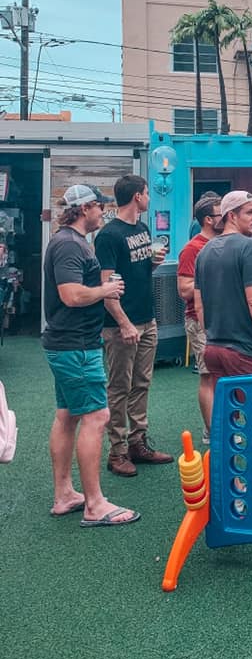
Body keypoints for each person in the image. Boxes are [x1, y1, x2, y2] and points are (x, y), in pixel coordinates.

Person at [42, 183, 139, 526]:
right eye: (100, 206)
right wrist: (106, 289)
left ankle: (65, 494)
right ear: (85, 208)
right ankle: (95, 505)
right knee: (96, 418)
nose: (104, 211)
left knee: (67, 415)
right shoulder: (70, 244)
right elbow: (70, 295)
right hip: (76, 346)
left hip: (66, 344)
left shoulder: (71, 242)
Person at [95, 174, 174, 477]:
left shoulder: (142, 228)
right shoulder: (109, 235)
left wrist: (154, 261)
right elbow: (106, 287)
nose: (149, 197)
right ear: (137, 196)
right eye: (146, 192)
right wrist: (125, 324)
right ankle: (116, 453)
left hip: (146, 318)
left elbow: (140, 270)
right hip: (121, 325)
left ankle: (137, 442)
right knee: (119, 387)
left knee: (142, 384)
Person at [194, 191, 252, 400]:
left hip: (214, 348)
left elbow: (199, 305)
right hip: (246, 350)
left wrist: (211, 335)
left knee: (229, 417)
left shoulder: (204, 251)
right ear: (231, 216)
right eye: (250, 212)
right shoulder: (249, 246)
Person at [177, 194, 224, 443]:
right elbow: (184, 290)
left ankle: (224, 424)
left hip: (227, 320)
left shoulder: (227, 242)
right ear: (208, 219)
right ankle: (211, 431)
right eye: (221, 214)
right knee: (208, 375)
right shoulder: (192, 249)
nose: (226, 217)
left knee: (224, 376)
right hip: (200, 320)